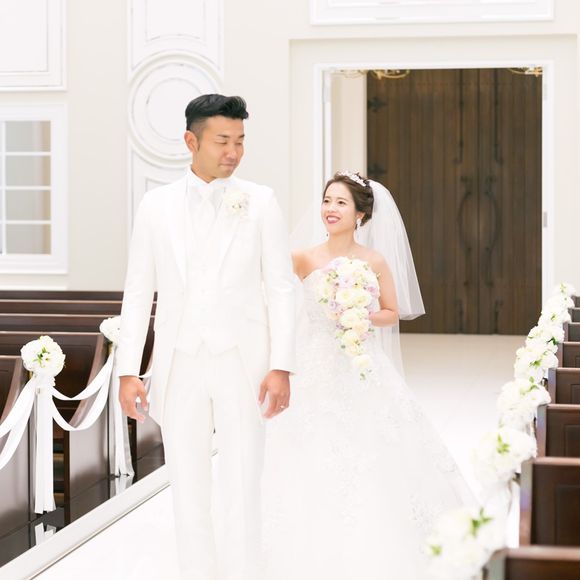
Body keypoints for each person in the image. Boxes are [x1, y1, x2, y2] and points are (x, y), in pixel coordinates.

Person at [116, 94, 296, 580]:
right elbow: (138, 291)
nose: (233, 152)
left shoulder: (261, 202)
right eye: (222, 141)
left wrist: (281, 365)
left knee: (243, 476)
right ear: (191, 141)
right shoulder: (155, 206)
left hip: (243, 360)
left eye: (240, 141)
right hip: (180, 361)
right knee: (186, 480)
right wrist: (128, 371)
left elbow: (282, 288)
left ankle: (243, 571)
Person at [261, 171, 473, 580]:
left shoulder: (373, 261)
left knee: (373, 446)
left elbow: (392, 312)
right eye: (327, 200)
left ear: (360, 214)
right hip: (313, 363)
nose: (330, 209)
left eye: (340, 202)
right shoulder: (302, 258)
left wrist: (359, 314)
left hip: (360, 362)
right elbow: (278, 304)